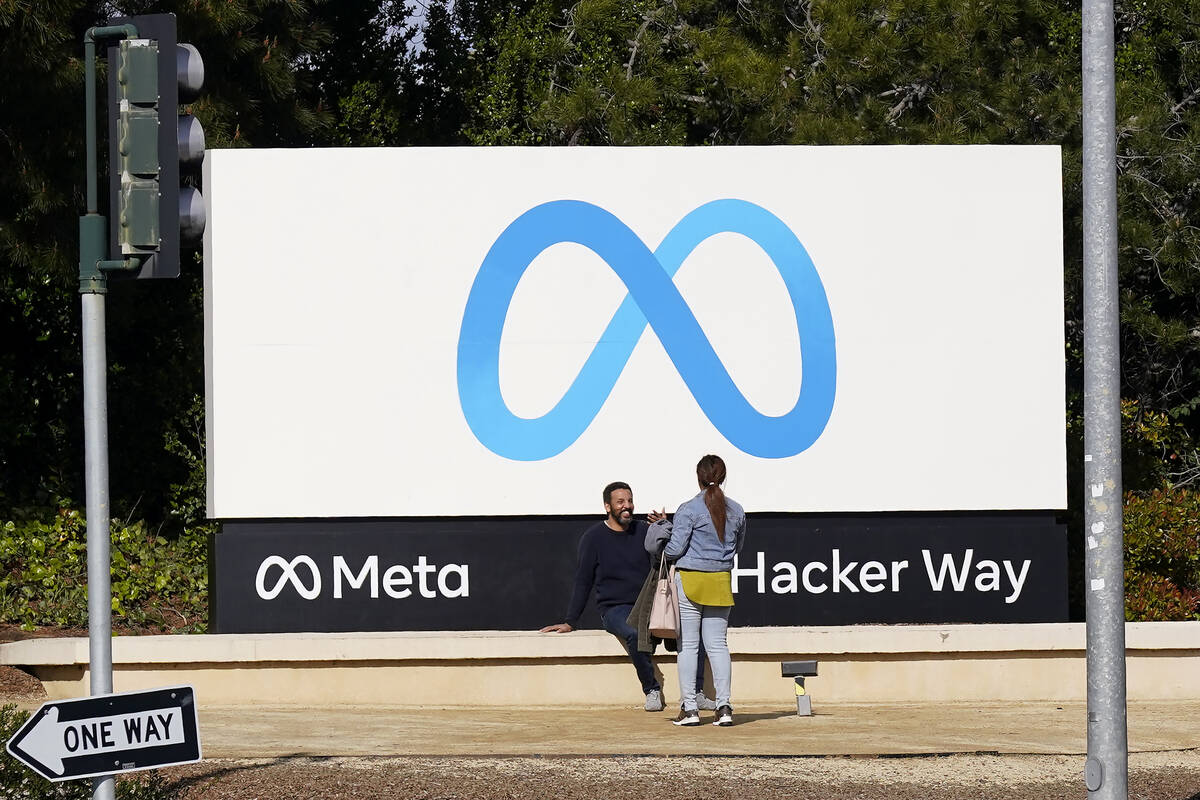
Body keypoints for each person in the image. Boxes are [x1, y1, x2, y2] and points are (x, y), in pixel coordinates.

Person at [540, 481, 714, 713]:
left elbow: (671, 554)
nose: (627, 506)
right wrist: (571, 621)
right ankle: (651, 690)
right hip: (615, 608)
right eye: (620, 502)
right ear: (607, 507)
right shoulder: (593, 537)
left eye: (630, 501)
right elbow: (583, 581)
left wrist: (664, 528)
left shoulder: (644, 530)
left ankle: (696, 693)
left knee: (692, 629)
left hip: (653, 603)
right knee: (634, 632)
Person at [665, 454, 747, 727]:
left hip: (690, 580)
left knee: (688, 646)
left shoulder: (688, 509)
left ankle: (690, 709)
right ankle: (724, 708)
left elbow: (674, 549)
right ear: (723, 476)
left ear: (698, 476)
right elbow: (738, 548)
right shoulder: (737, 510)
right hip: (720, 581)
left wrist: (660, 534)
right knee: (718, 645)